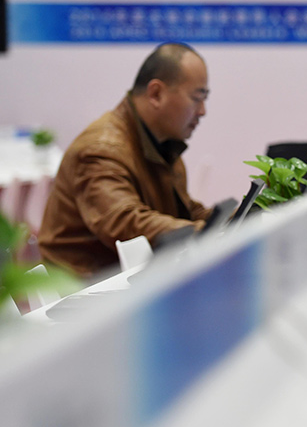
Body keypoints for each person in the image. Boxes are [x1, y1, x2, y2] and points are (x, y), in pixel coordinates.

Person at [38, 43, 213, 277]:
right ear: (156, 94)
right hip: (80, 293)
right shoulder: (100, 149)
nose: (202, 111)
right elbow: (126, 224)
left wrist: (235, 220)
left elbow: (183, 211)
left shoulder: (161, 143)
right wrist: (204, 232)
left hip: (127, 281)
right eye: (197, 98)